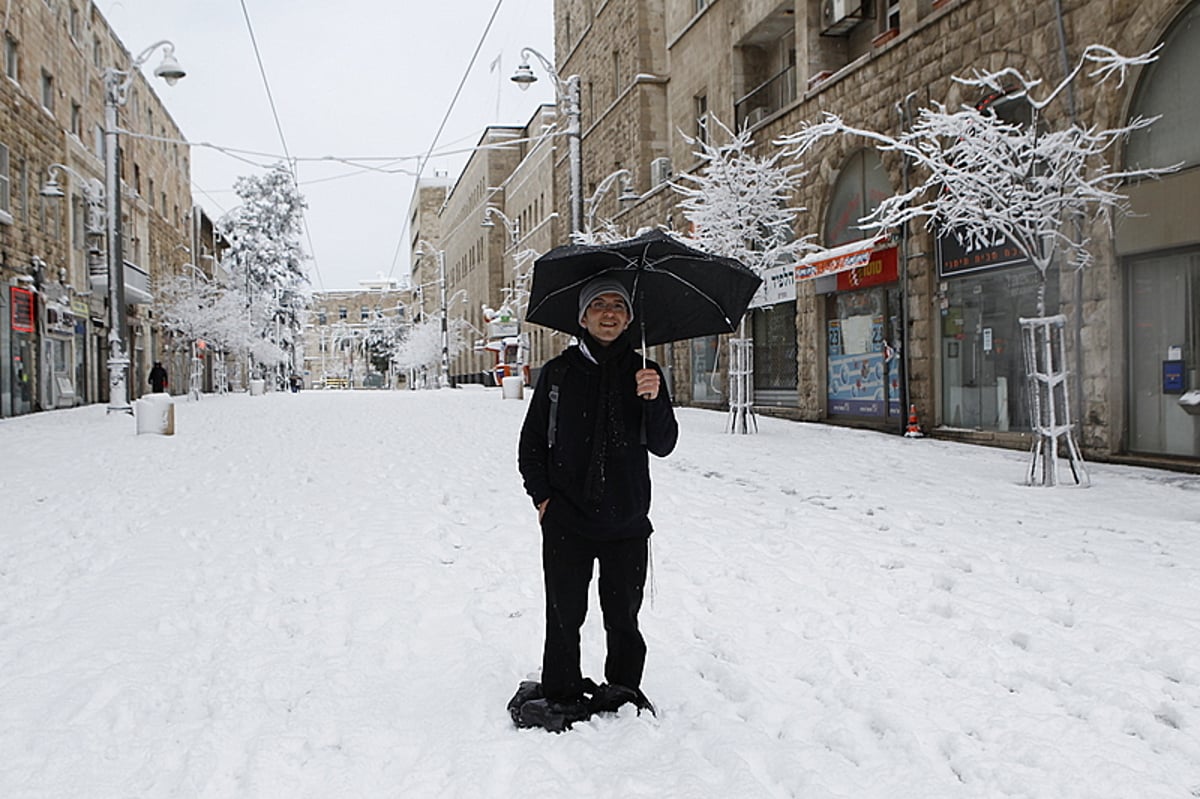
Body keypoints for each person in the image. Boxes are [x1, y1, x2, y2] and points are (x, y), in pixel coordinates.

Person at [513, 277, 679, 732]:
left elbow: (664, 444)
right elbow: (531, 445)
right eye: (599, 306)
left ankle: (624, 687)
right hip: (567, 518)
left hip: (627, 520)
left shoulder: (646, 373)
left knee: (623, 614)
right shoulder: (559, 373)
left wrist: (655, 398)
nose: (610, 314)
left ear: (629, 318)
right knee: (564, 612)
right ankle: (562, 691)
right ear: (583, 317)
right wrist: (543, 499)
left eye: (619, 307)